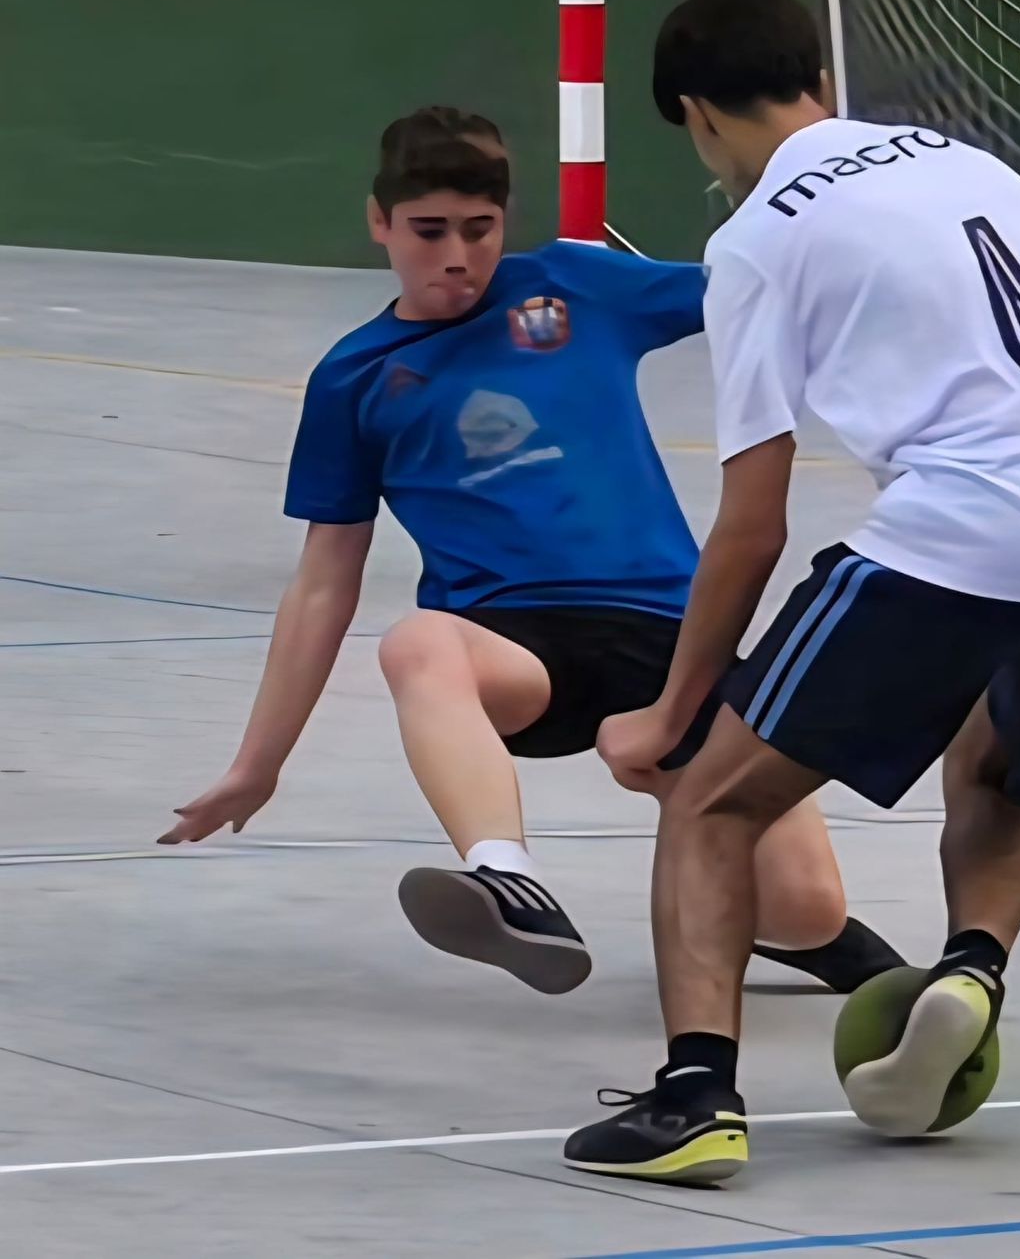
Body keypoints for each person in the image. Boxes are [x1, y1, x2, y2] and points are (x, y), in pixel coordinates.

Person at [564, 0, 1020, 1183]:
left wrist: (671, 712)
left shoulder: (754, 236)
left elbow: (751, 520)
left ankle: (695, 1094)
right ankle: (969, 969)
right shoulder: (969, 165)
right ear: (816, 74)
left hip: (963, 535)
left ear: (699, 114)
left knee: (713, 798)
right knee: (1003, 768)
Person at [159, 105, 902, 1001]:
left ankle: (797, 935)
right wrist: (258, 763)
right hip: (516, 650)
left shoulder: (573, 286)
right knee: (417, 644)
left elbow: (748, 286)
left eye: (479, 230)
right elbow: (324, 583)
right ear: (380, 223)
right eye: (428, 232)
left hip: (673, 644)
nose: (457, 256)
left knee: (807, 910)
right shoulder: (354, 378)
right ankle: (506, 875)